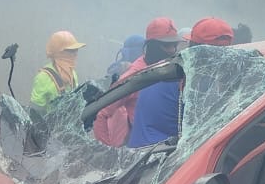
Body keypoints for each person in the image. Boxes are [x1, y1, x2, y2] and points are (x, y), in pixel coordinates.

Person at [128, 18, 235, 148]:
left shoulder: (166, 67)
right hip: (159, 153)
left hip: (141, 148)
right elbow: (206, 128)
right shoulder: (195, 79)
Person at [94, 18, 180, 147]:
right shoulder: (133, 77)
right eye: (167, 45)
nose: (173, 50)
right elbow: (101, 113)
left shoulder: (170, 70)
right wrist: (105, 150)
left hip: (170, 143)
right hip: (143, 147)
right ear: (153, 45)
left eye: (174, 45)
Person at [30, 31, 85, 108]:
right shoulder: (43, 77)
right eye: (71, 51)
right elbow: (35, 110)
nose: (75, 54)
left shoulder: (72, 73)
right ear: (59, 53)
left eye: (76, 50)